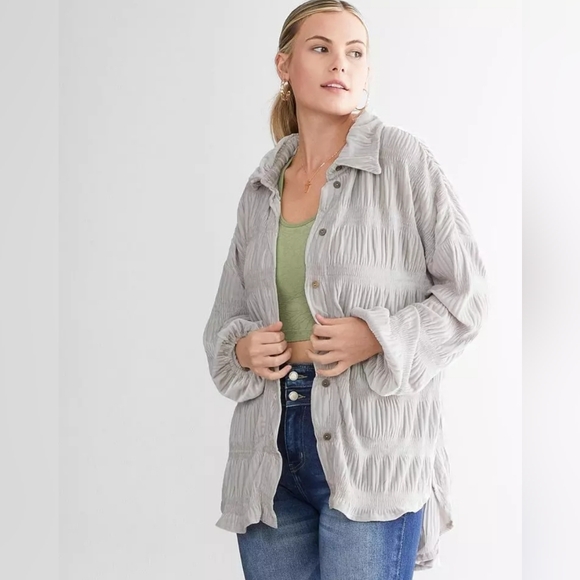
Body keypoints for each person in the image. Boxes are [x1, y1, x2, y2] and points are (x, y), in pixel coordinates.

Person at [202, 1, 488, 578]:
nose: (341, 64)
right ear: (285, 66)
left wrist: (378, 336)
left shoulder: (403, 162)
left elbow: (468, 297)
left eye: (355, 52)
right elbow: (224, 322)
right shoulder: (262, 186)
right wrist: (242, 348)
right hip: (267, 450)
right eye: (321, 48)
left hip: (373, 448)